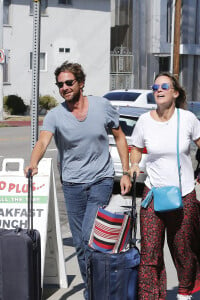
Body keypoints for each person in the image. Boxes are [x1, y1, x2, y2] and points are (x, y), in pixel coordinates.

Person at [24, 61, 131, 299]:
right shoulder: (55, 115)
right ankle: (93, 288)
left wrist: (125, 171)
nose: (64, 87)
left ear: (81, 83)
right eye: (60, 84)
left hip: (100, 179)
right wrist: (33, 162)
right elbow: (43, 142)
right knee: (83, 246)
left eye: (69, 82)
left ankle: (97, 289)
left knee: (86, 235)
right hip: (72, 185)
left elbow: (120, 137)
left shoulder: (102, 106)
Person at [129, 72, 200, 300]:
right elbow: (136, 148)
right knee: (149, 251)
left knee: (183, 248)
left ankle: (185, 292)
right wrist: (134, 164)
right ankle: (150, 296)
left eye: (164, 86)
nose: (158, 89)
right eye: (155, 86)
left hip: (183, 193)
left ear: (175, 93)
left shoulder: (187, 119)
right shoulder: (144, 121)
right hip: (153, 194)